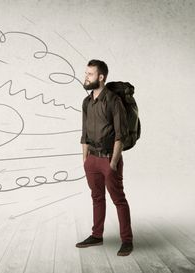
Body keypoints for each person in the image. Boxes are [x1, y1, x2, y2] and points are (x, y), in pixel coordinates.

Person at [76, 59, 133, 256]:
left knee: (118, 199)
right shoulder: (86, 102)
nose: (86, 77)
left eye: (90, 74)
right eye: (86, 73)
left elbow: (121, 134)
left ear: (101, 77)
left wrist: (114, 162)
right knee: (97, 197)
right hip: (91, 159)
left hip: (109, 159)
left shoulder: (113, 101)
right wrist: (85, 159)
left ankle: (127, 240)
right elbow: (84, 133)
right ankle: (96, 235)